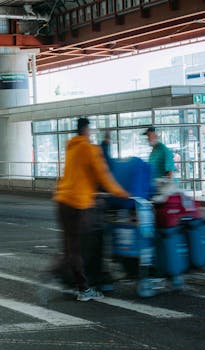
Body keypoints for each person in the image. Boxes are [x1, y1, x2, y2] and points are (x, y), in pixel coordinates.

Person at [51, 117, 130, 302]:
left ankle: (66, 275)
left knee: (70, 246)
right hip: (78, 204)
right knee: (81, 246)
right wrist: (121, 193)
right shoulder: (89, 148)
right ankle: (83, 288)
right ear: (87, 131)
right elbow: (103, 175)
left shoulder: (72, 147)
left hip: (62, 201)